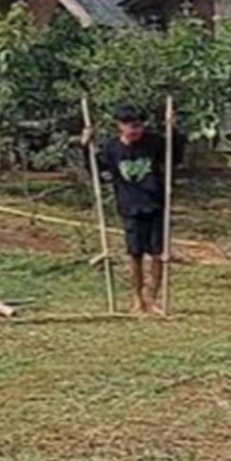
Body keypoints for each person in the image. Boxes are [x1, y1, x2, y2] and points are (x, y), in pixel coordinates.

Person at [82, 103, 180, 316]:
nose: (135, 130)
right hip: (129, 206)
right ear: (120, 126)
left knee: (158, 254)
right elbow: (96, 170)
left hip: (155, 204)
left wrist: (173, 129)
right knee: (134, 254)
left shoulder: (154, 142)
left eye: (138, 126)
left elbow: (176, 157)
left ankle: (152, 299)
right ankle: (136, 298)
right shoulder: (111, 148)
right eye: (130, 126)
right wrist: (85, 146)